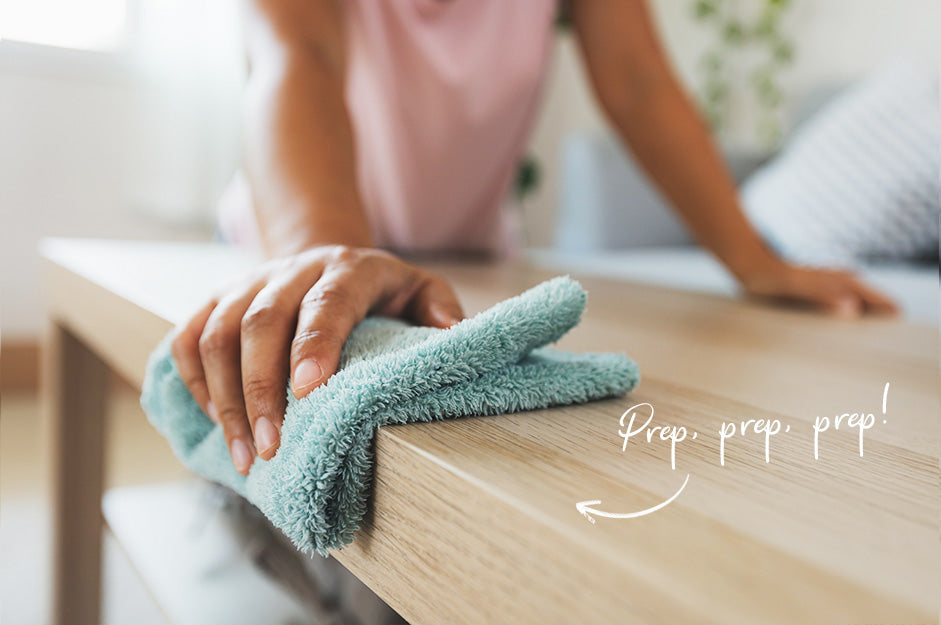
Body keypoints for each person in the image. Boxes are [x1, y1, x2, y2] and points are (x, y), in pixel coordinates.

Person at [172, 0, 897, 481]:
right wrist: (325, 253)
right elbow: (297, 59)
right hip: (290, 241)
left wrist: (756, 260)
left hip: (464, 261)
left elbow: (639, 83)